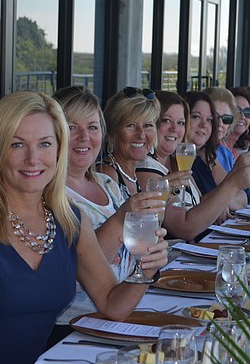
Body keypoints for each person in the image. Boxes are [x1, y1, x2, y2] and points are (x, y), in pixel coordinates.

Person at [0, 91, 161, 364]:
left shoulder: (70, 220)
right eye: (17, 144)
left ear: (59, 150)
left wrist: (144, 270)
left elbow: (112, 303)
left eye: (45, 144)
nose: (33, 159)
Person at [49, 86, 167, 346]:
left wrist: (150, 261)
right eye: (72, 127)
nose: (84, 137)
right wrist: (119, 223)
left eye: (92, 127)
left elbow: (121, 257)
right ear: (53, 134)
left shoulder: (106, 184)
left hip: (122, 314)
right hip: (76, 329)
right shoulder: (52, 196)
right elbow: (77, 271)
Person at [137, 91, 250, 242]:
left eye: (181, 123)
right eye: (166, 120)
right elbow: (185, 228)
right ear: (152, 123)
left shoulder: (178, 161)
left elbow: (200, 204)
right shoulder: (146, 167)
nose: (174, 129)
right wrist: (232, 185)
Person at [98, 87, 160, 199]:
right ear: (112, 131)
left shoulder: (132, 175)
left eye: (148, 125)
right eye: (130, 125)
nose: (141, 134)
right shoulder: (106, 174)